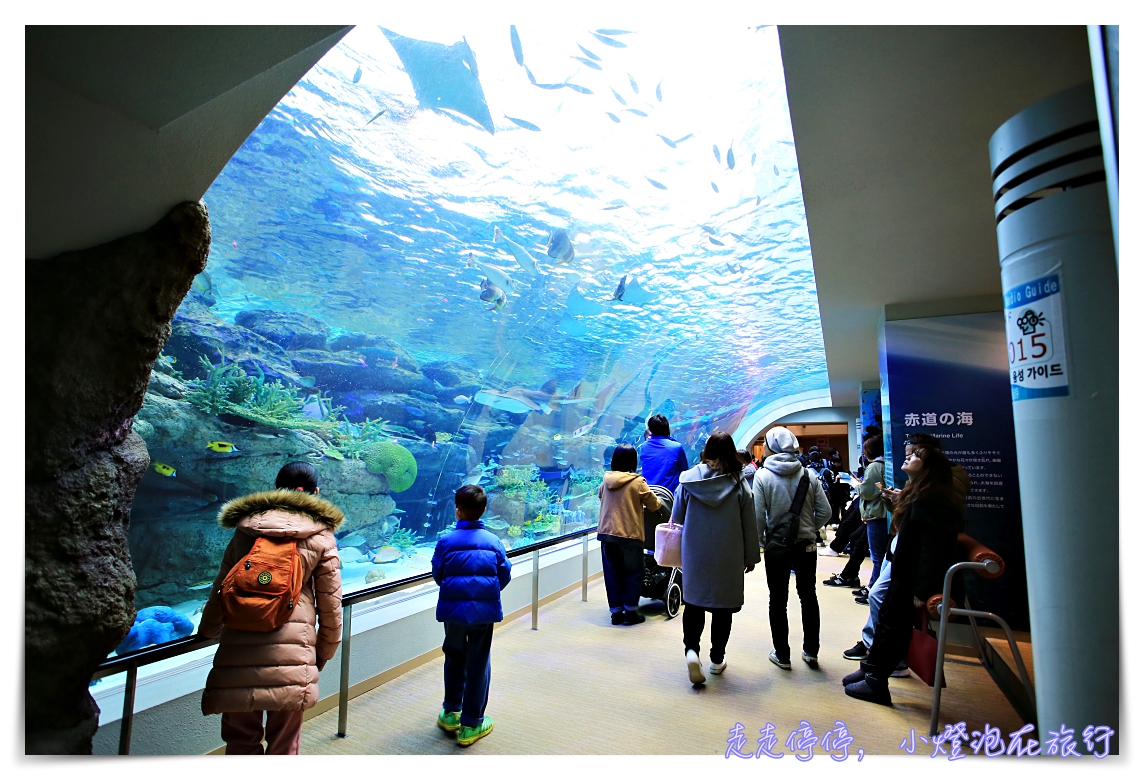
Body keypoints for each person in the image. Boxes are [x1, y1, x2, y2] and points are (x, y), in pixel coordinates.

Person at [199, 462, 344, 755]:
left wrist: (208, 631)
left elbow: (221, 587)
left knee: (240, 742)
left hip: (239, 647)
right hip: (294, 654)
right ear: (316, 493)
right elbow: (331, 605)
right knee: (284, 745)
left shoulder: (246, 529)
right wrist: (324, 652)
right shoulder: (321, 536)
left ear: (276, 488)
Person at [843, 443, 963, 706]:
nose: (909, 457)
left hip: (910, 574)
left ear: (929, 467)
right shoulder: (920, 494)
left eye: (916, 455)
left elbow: (933, 549)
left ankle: (877, 680)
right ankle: (872, 670)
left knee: (893, 623)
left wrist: (922, 589)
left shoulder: (932, 499)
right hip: (902, 567)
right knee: (885, 616)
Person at [674, 430, 760, 685]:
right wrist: (751, 557)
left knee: (694, 603)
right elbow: (749, 524)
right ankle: (716, 659)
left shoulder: (688, 481)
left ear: (707, 451)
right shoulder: (739, 483)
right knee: (723, 609)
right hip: (728, 554)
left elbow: (677, 516)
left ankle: (691, 651)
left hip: (695, 553)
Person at [432, 484, 513, 746]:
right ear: (484, 510)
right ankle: (471, 724)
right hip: (483, 613)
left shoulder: (445, 542)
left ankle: (450, 711)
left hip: (453, 612)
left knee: (454, 656)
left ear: (457, 511)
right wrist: (483, 592)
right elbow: (504, 574)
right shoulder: (494, 541)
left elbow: (438, 575)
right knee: (478, 662)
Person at [754, 426, 831, 670]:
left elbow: (757, 516)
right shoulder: (808, 475)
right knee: (808, 596)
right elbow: (826, 512)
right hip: (806, 546)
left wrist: (763, 541)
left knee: (778, 600)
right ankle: (811, 652)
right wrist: (808, 529)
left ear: (770, 447)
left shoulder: (763, 476)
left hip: (777, 546)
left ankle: (782, 654)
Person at [597, 443, 661, 625]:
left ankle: (616, 613)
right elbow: (654, 504)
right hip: (629, 534)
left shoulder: (606, 480)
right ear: (633, 461)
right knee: (634, 573)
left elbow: (600, 496)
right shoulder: (638, 482)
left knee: (612, 573)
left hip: (607, 534)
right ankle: (631, 613)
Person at [857, 436, 891, 588]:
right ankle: (873, 586)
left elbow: (869, 491)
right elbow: (878, 486)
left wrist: (857, 486)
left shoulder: (875, 466)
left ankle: (874, 589)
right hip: (884, 513)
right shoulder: (885, 464)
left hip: (877, 514)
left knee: (877, 557)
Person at [640, 413, 690, 493]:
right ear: (667, 427)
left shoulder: (644, 447)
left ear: (651, 429)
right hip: (670, 497)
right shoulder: (676, 447)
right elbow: (685, 472)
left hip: (648, 496)